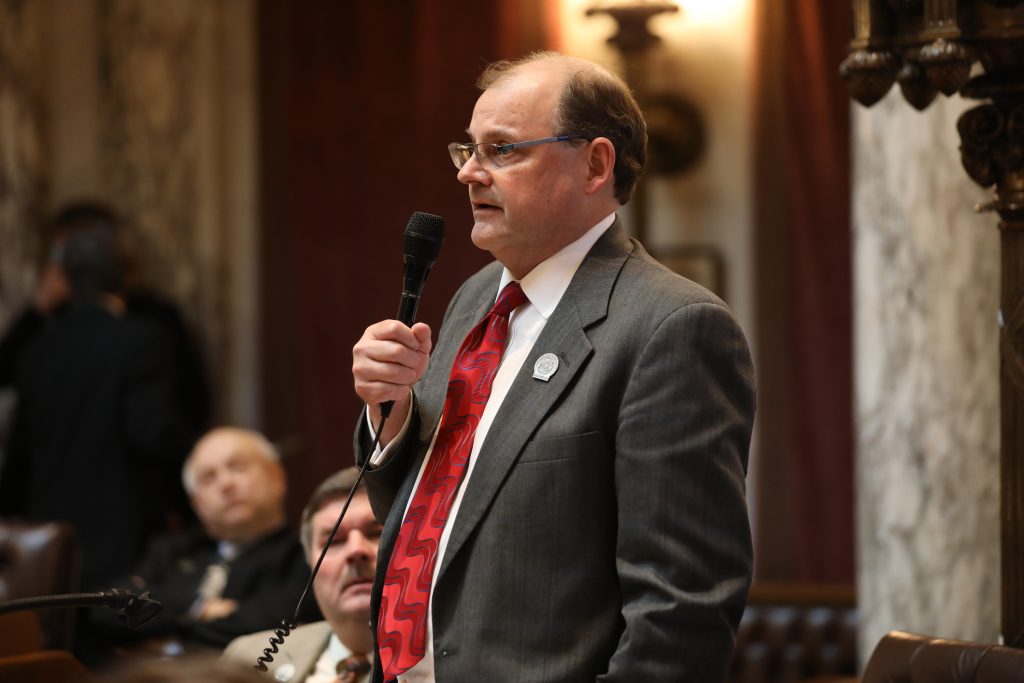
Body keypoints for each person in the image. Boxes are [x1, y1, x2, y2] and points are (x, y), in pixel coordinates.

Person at [351, 52, 756, 682]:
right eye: (469, 150)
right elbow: (413, 513)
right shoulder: (474, 298)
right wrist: (393, 413)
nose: (470, 175)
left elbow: (683, 610)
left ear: (596, 164)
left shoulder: (670, 326)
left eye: (502, 150)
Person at [0, 215, 191, 589]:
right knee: (119, 631)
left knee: (55, 632)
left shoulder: (38, 348)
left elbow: (20, 446)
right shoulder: (142, 339)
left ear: (65, 280)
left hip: (48, 525)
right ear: (126, 278)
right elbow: (149, 430)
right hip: (121, 521)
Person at [89, 427, 319, 657]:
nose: (226, 484)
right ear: (197, 504)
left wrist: (168, 641)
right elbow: (105, 610)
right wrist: (197, 607)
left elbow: (265, 625)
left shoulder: (306, 553)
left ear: (276, 477)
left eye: (237, 468)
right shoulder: (172, 551)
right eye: (208, 478)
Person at [224, 467, 379, 682]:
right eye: (333, 542)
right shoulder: (245, 656)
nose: (356, 550)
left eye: (376, 533)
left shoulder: (439, 661)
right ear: (310, 564)